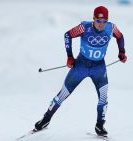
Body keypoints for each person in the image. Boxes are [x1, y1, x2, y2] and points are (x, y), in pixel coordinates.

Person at [34, 6, 127, 136]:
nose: (101, 24)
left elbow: (120, 36)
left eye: (104, 21)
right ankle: (46, 119)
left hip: (99, 68)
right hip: (81, 66)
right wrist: (70, 56)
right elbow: (68, 35)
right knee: (62, 94)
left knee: (104, 97)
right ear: (93, 19)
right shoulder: (84, 27)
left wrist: (122, 52)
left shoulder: (111, 28)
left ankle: (100, 125)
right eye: (99, 21)